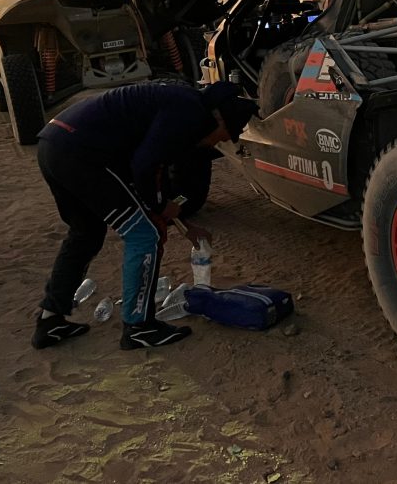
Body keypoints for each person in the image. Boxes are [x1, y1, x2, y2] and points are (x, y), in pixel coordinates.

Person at [31, 81, 259, 351]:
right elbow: (144, 168)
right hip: (80, 153)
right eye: (224, 136)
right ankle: (139, 327)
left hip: (54, 145)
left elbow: (145, 175)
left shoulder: (184, 103)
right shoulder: (189, 114)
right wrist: (160, 206)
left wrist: (182, 223)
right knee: (144, 234)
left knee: (86, 233)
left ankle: (50, 320)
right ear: (219, 119)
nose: (219, 142)